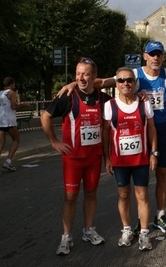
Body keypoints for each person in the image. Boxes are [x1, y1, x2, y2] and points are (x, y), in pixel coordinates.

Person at [59, 41, 166, 234]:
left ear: (163, 57)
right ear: (145, 56)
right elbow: (99, 82)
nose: (155, 58)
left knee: (163, 175)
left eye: (159, 54)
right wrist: (75, 83)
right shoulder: (133, 75)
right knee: (135, 187)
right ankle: (137, 222)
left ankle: (160, 215)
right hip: (139, 131)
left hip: (162, 130)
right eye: (152, 54)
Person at [41, 57, 110, 255]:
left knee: (91, 194)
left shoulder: (103, 98)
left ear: (94, 76)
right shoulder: (68, 96)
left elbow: (119, 84)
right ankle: (66, 236)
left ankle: (88, 230)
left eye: (86, 74)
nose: (80, 78)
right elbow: (45, 116)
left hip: (94, 157)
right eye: (78, 74)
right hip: (73, 158)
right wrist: (54, 142)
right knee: (70, 197)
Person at [102, 67, 157, 251]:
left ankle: (143, 233)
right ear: (116, 83)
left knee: (142, 196)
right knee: (123, 195)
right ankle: (126, 229)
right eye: (121, 80)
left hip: (140, 160)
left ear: (134, 83)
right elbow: (106, 133)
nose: (125, 83)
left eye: (129, 80)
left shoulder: (144, 103)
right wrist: (107, 159)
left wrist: (153, 153)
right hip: (120, 161)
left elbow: (151, 129)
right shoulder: (110, 105)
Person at [0, 77, 30, 172]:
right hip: (9, 120)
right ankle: (8, 162)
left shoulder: (0, 93)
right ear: (12, 84)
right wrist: (23, 105)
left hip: (1, 119)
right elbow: (14, 106)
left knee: (1, 143)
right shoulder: (12, 93)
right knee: (16, 139)